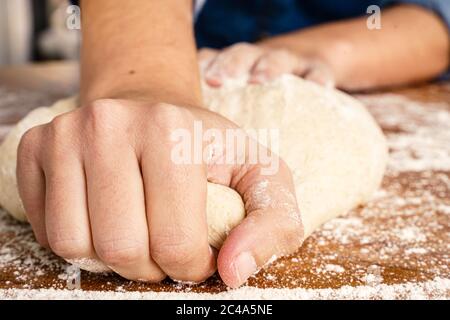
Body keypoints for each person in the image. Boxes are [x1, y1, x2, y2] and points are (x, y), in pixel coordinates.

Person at [16, 0, 449, 288]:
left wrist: (320, 50)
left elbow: (437, 17)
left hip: (365, 59)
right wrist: (144, 84)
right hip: (177, 58)